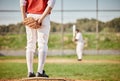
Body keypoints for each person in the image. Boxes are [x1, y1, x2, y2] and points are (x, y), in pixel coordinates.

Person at [20, 0, 55, 77]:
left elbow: (22, 2)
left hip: (30, 15)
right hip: (44, 15)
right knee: (42, 44)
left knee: (30, 44)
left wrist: (24, 18)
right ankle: (39, 72)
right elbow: (51, 3)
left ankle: (30, 72)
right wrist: (41, 19)